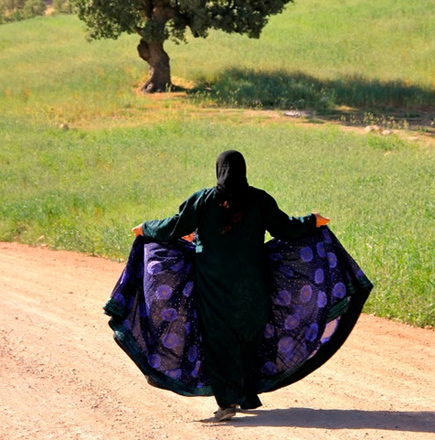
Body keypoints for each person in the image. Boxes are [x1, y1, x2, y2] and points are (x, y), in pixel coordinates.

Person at [131, 150, 330, 421]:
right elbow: (286, 229)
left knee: (218, 341)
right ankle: (245, 395)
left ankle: (227, 402)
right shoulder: (260, 200)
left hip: (213, 286)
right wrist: (312, 220)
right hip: (253, 287)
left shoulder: (203, 200)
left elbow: (175, 226)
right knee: (248, 340)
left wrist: (147, 228)